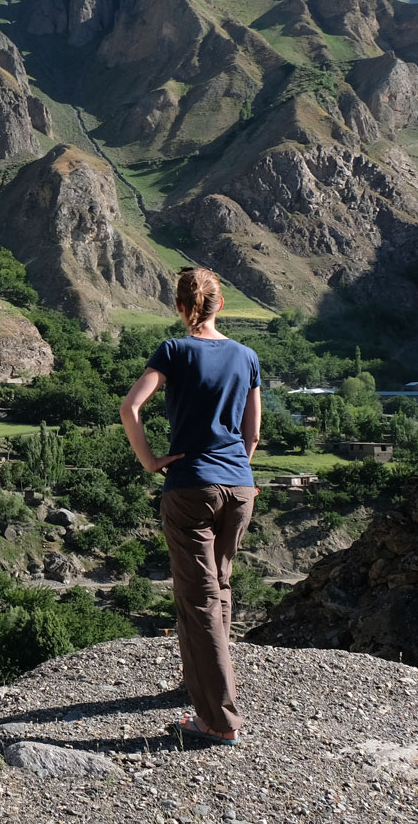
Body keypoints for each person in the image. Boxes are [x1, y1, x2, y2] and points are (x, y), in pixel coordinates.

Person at [120, 266, 261, 746]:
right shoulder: (246, 356)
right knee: (217, 586)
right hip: (239, 487)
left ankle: (218, 721)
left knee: (196, 597)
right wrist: (236, 472)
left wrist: (151, 462)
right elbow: (253, 433)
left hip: (190, 487)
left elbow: (130, 408)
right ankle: (198, 686)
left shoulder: (174, 350)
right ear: (220, 304)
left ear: (181, 308)